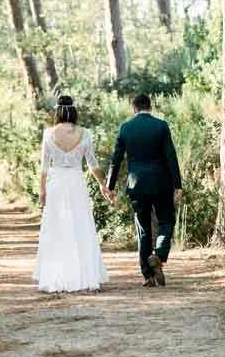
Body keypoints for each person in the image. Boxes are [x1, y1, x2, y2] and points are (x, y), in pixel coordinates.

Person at [33, 94, 110, 292]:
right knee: (80, 225)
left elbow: (43, 168)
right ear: (74, 111)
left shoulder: (49, 133)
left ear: (57, 111)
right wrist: (103, 184)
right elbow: (93, 164)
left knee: (58, 227)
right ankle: (83, 275)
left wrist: (42, 190)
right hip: (77, 183)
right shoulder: (84, 133)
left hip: (57, 184)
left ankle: (57, 274)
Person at [106, 92, 182, 287]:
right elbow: (171, 157)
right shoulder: (161, 126)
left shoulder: (125, 128)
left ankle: (148, 276)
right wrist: (177, 185)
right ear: (150, 107)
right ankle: (159, 254)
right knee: (166, 221)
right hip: (161, 183)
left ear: (134, 108)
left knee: (143, 230)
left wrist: (110, 186)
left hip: (137, 185)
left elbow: (116, 160)